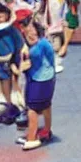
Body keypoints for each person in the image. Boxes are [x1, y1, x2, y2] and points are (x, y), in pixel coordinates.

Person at [16, 21, 55, 151]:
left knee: (32, 109)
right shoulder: (37, 44)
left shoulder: (40, 45)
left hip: (40, 80)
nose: (30, 35)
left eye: (33, 32)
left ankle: (32, 138)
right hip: (44, 78)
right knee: (46, 105)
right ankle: (46, 130)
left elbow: (26, 64)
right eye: (27, 33)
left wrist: (24, 58)